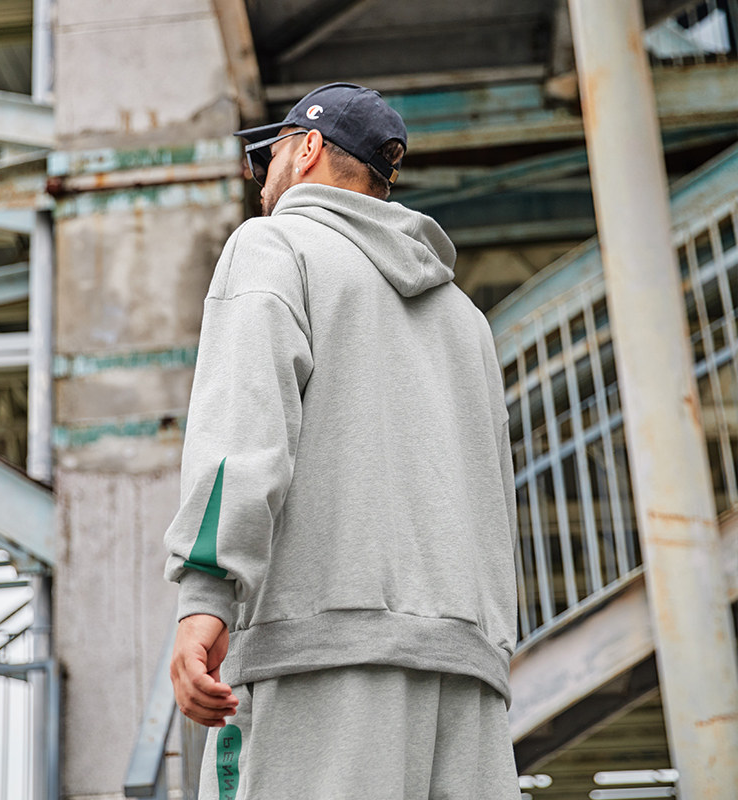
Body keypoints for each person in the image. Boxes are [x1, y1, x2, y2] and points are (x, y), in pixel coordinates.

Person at [163, 82, 521, 799]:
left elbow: (242, 431)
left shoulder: (274, 245)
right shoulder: (465, 319)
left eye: (266, 158)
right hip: (468, 683)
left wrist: (206, 594)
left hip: (321, 661)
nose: (261, 179)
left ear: (307, 149)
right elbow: (493, 500)